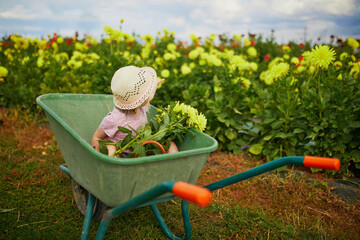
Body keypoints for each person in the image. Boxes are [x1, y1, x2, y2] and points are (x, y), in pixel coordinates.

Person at [91, 65, 178, 156]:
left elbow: (149, 96)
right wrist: (97, 155)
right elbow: (97, 136)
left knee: (170, 144)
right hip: (121, 152)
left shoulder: (141, 106)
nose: (151, 93)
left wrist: (155, 84)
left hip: (140, 147)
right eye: (148, 92)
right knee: (111, 148)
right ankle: (113, 165)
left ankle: (173, 164)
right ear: (142, 100)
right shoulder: (114, 119)